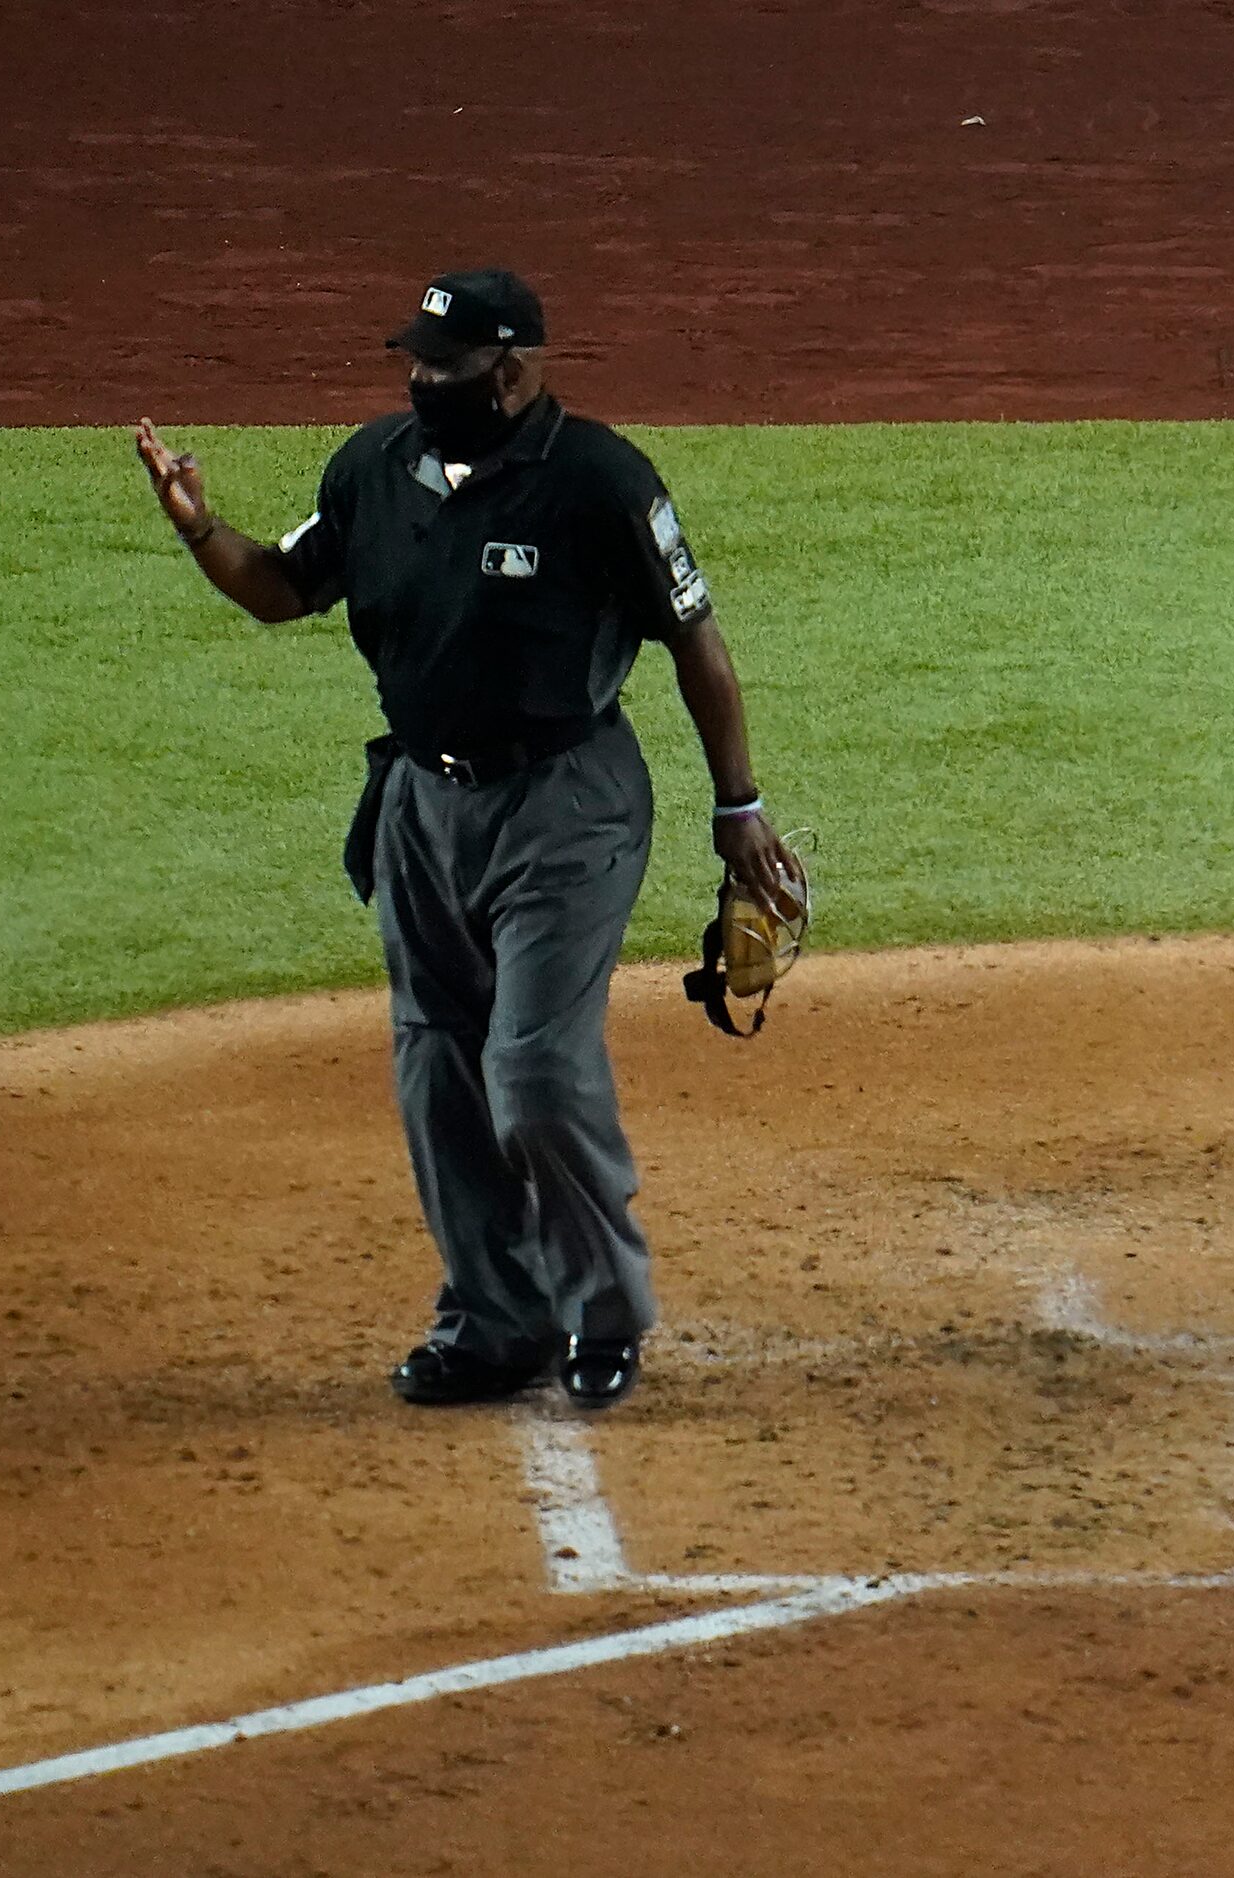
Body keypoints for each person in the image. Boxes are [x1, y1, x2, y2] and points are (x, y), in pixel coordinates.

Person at [133, 268, 803, 1406]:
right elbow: (284, 590)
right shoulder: (374, 468)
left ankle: (601, 1313)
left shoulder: (598, 480)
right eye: (415, 359)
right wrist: (202, 531)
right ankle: (495, 1320)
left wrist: (736, 807)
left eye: (444, 364)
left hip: (567, 803)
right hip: (419, 808)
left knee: (533, 1067)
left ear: (514, 370)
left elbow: (696, 642)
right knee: (437, 1064)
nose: (419, 378)